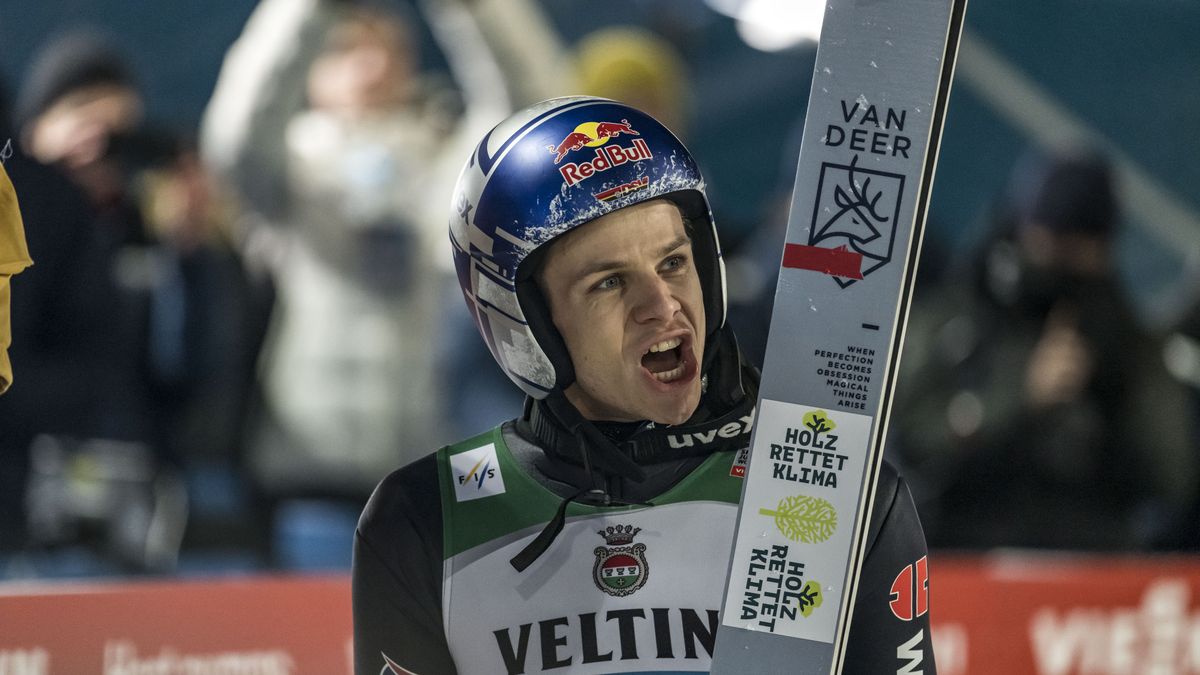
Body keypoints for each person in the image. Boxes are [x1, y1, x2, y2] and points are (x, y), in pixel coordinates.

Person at [353, 97, 936, 674]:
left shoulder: (843, 498)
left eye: (674, 264)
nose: (661, 307)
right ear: (523, 321)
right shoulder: (424, 521)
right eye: (608, 283)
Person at [890, 148, 1197, 551]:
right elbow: (906, 447)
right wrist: (1019, 398)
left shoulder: (1123, 335)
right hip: (963, 558)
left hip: (1088, 569)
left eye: (1079, 246)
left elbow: (1171, 478)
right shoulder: (958, 318)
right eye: (1049, 238)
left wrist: (1112, 380)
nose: (1058, 259)